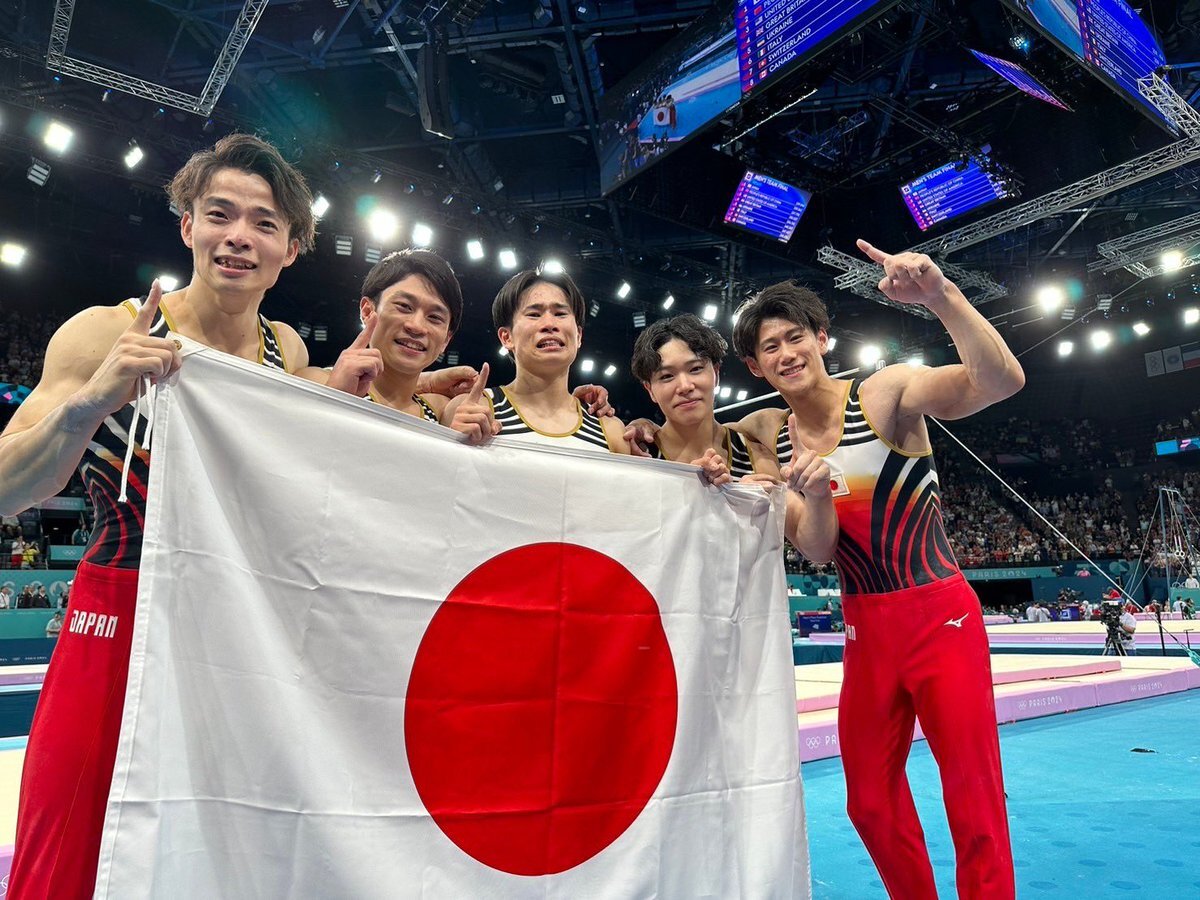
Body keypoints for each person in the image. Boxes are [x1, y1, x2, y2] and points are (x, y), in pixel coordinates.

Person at [0, 133, 319, 899]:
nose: (238, 236)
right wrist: (86, 405)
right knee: (66, 854)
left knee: (221, 856)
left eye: (264, 223)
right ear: (188, 227)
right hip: (117, 617)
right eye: (220, 214)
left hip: (232, 633)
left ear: (290, 250)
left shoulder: (286, 353)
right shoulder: (108, 332)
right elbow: (8, 490)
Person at [728, 240, 1025, 898]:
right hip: (866, 631)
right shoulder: (766, 433)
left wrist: (941, 296)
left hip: (939, 617)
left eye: (795, 337)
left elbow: (1001, 382)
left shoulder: (883, 394)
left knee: (971, 794)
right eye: (770, 347)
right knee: (867, 800)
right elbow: (816, 550)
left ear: (822, 338)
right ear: (754, 365)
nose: (786, 353)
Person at [629, 313, 838, 557]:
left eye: (695, 369)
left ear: (716, 373)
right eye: (667, 376)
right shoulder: (636, 455)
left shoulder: (755, 457)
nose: (685, 386)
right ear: (650, 389)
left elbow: (818, 551)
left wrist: (818, 495)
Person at [445, 267, 630, 454]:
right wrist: (454, 443)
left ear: (579, 336)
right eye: (534, 314)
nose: (550, 324)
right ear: (506, 337)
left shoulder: (611, 432)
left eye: (560, 313)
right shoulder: (472, 411)